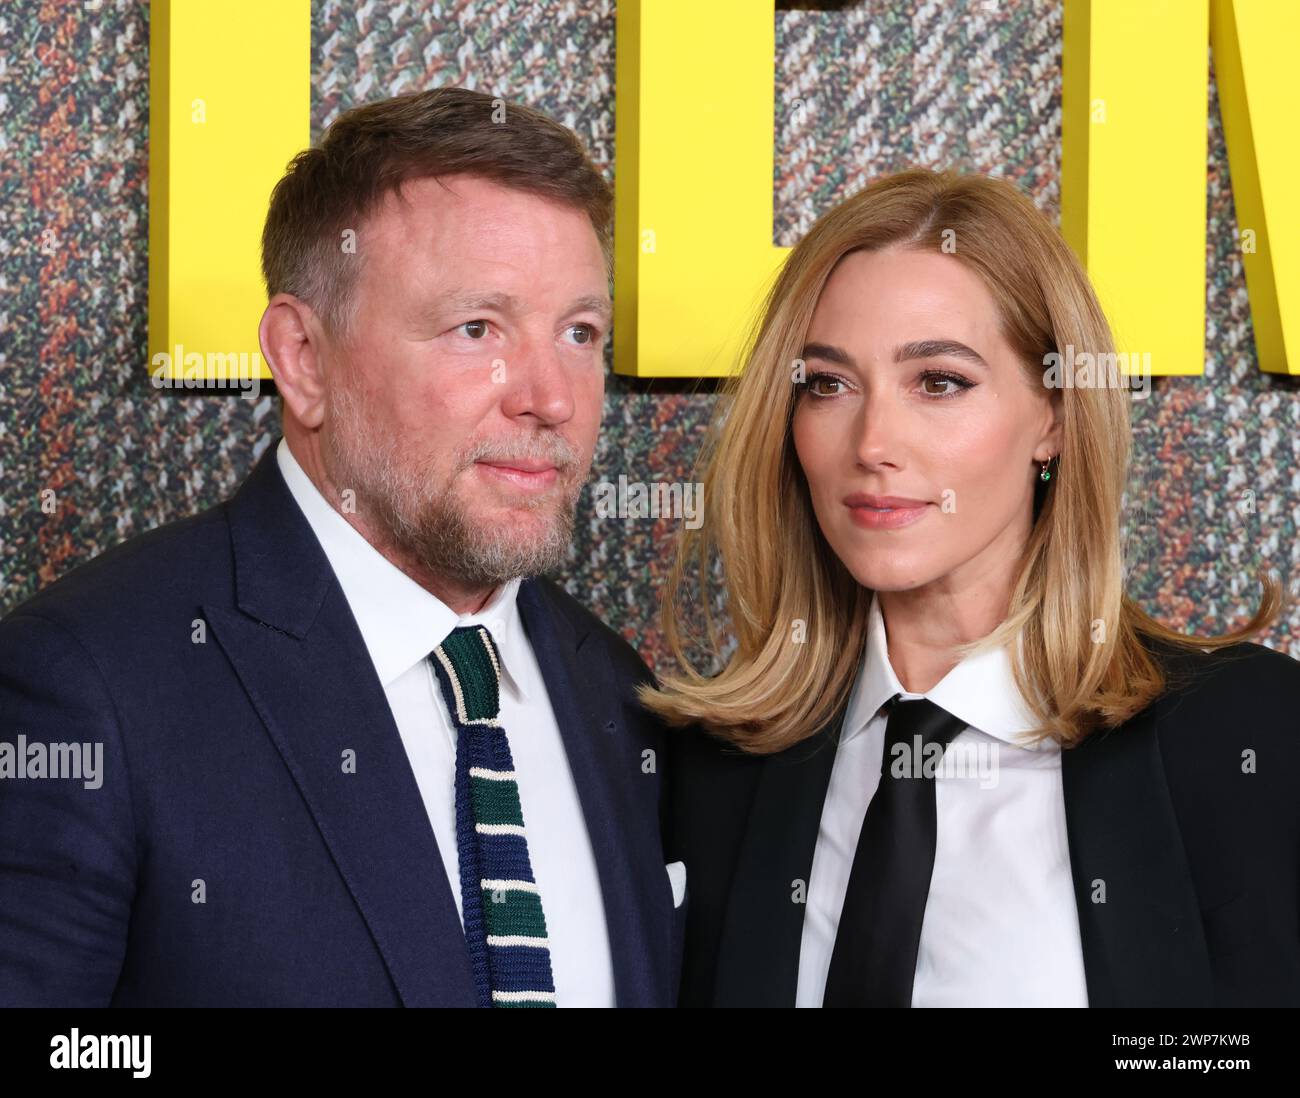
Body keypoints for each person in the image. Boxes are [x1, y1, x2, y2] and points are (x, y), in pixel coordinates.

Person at [0, 86, 684, 1007]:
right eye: (476, 328)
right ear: (304, 359)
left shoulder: (622, 695)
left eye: (579, 333)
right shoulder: (89, 686)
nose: (551, 397)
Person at [645, 167, 1300, 1007]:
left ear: (1055, 415)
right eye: (829, 384)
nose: (873, 442)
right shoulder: (709, 774)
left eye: (940, 382)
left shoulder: (1255, 741)